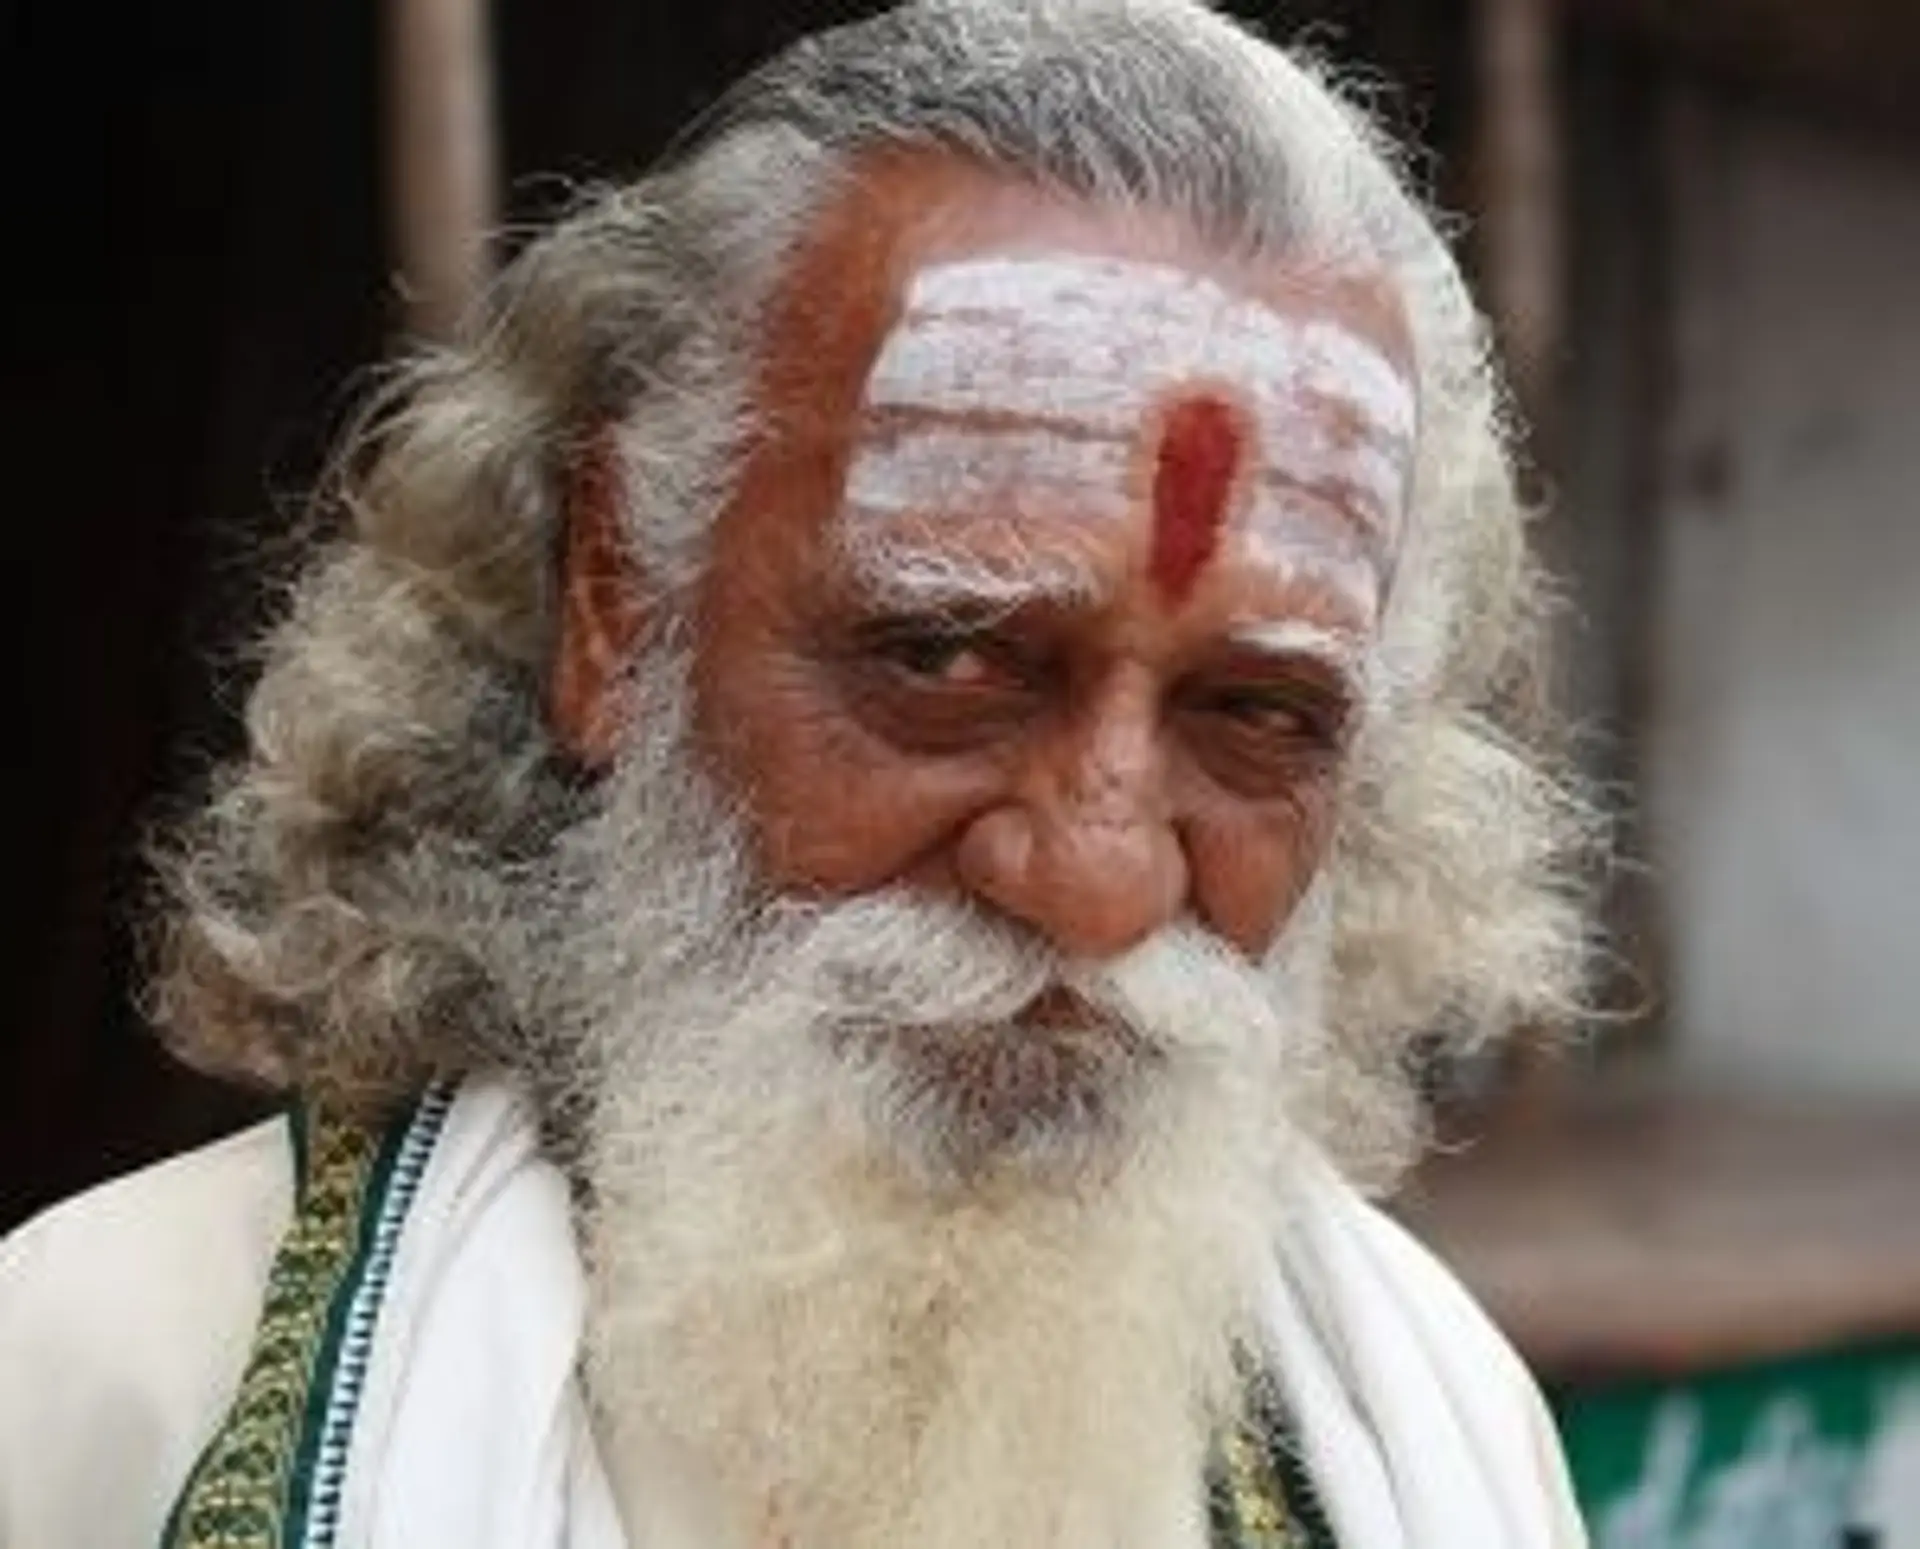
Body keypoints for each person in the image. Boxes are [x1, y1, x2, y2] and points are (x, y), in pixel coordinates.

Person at [0, 2, 1597, 1545]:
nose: (1101, 881)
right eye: (950, 660)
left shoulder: (1432, 1435)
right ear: (619, 606)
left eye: (1256, 717)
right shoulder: (109, 1386)